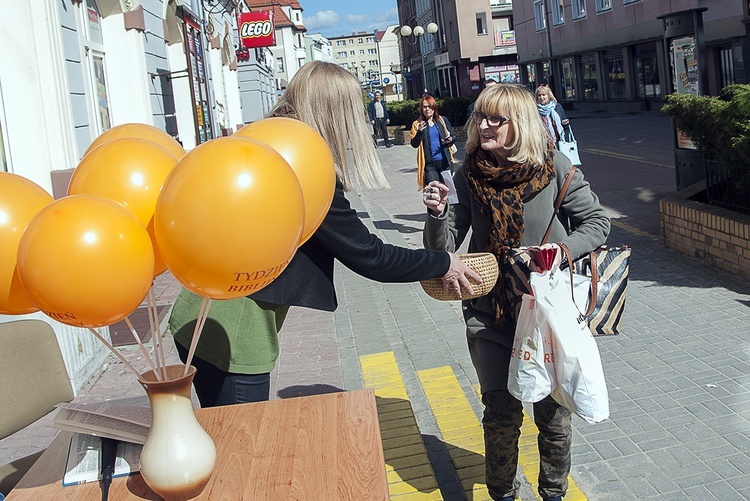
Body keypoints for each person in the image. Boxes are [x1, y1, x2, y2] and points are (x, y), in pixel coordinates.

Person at [169, 61, 481, 407]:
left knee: (225, 439)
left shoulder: (264, 144)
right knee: (245, 448)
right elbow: (371, 256)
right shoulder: (306, 172)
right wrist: (442, 262)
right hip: (236, 329)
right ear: (335, 113)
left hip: (199, 309)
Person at [421, 83, 610, 501]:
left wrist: (560, 251)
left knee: (553, 416)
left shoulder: (555, 167)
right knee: (500, 415)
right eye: (479, 117)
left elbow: (597, 223)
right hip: (491, 313)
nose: (483, 125)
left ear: (519, 124)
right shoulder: (468, 171)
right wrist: (437, 214)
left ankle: (553, 493)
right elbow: (445, 248)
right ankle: (503, 493)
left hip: (545, 314)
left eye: (495, 119)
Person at [410, 94, 456, 190]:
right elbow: (414, 144)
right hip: (430, 165)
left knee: (448, 192)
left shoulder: (442, 120)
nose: (427, 109)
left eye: (429, 106)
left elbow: (453, 137)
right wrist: (419, 132)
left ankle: (448, 206)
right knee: (433, 192)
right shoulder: (417, 124)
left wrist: (450, 139)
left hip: (445, 163)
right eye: (424, 107)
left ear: (434, 107)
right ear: (421, 109)